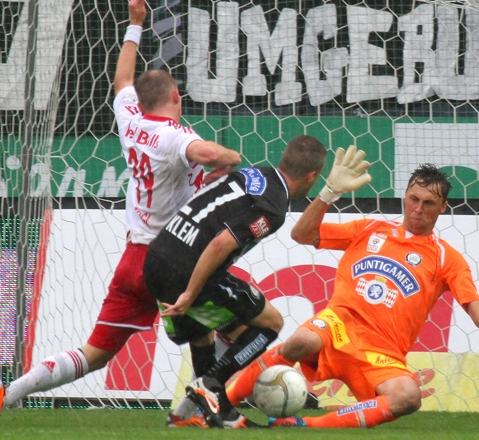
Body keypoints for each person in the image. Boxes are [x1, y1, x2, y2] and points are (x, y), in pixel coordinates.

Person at [0, 0, 241, 427]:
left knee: (94, 354)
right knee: (242, 325)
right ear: (177, 99)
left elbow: (122, 81)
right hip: (172, 258)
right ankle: (204, 409)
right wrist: (234, 160)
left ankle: (7, 393)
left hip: (132, 260)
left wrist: (135, 23)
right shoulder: (175, 138)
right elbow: (211, 156)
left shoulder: (130, 120)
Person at [225, 162, 479, 429]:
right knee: (301, 341)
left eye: (428, 203)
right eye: (413, 199)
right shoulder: (369, 228)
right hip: (339, 327)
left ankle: (303, 424)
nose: (418, 209)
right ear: (405, 197)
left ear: (443, 207)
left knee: (408, 397)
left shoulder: (447, 259)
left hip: (382, 353)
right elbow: (302, 234)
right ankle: (221, 401)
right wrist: (328, 193)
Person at [144, 138, 372, 428]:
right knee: (270, 322)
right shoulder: (273, 208)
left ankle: (191, 415)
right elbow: (219, 244)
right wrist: (190, 292)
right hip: (186, 269)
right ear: (312, 176)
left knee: (204, 332)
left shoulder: (256, 174)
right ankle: (212, 386)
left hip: (158, 256)